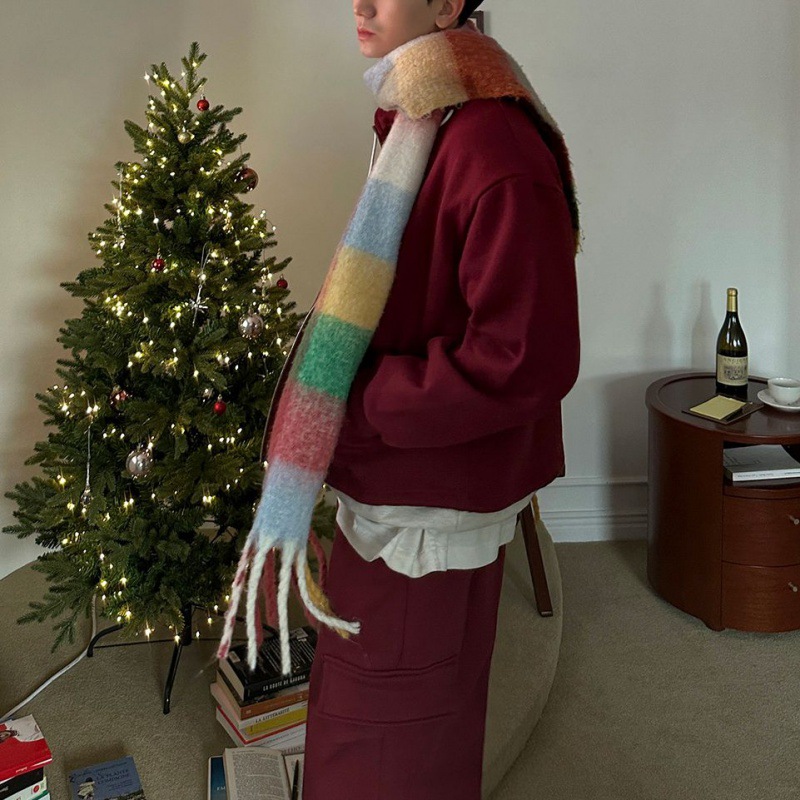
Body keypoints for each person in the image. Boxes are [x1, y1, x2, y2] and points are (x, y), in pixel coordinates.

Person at [298, 1, 582, 798]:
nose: (361, 4)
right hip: (397, 478)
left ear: (447, 4)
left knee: (383, 740)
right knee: (376, 711)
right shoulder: (425, 109)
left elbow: (527, 357)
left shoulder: (492, 143)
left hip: (424, 502)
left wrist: (364, 402)